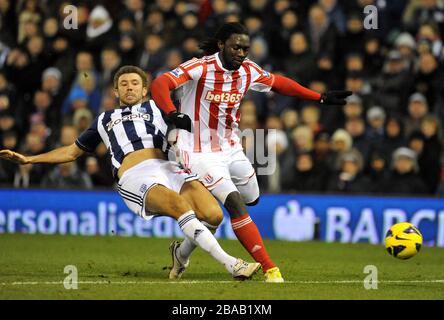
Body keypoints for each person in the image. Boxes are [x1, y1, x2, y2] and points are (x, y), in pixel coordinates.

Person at [0, 65, 261, 281]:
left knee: (214, 214)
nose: (129, 87)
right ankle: (232, 265)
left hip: (169, 168)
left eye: (135, 83)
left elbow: (192, 110)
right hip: (135, 175)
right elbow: (71, 152)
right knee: (180, 206)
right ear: (115, 90)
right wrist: (28, 159)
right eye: (123, 83)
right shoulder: (104, 119)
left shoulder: (159, 109)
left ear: (145, 89)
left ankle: (181, 255)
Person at [151, 22, 351, 282]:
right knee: (234, 204)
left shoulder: (248, 71)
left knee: (247, 199)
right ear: (222, 45)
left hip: (231, 147)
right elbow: (160, 83)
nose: (241, 53)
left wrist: (319, 98)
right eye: (236, 47)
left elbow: (280, 84)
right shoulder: (199, 67)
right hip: (198, 151)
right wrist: (173, 113)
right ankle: (270, 269)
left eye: (245, 48)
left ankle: (182, 252)